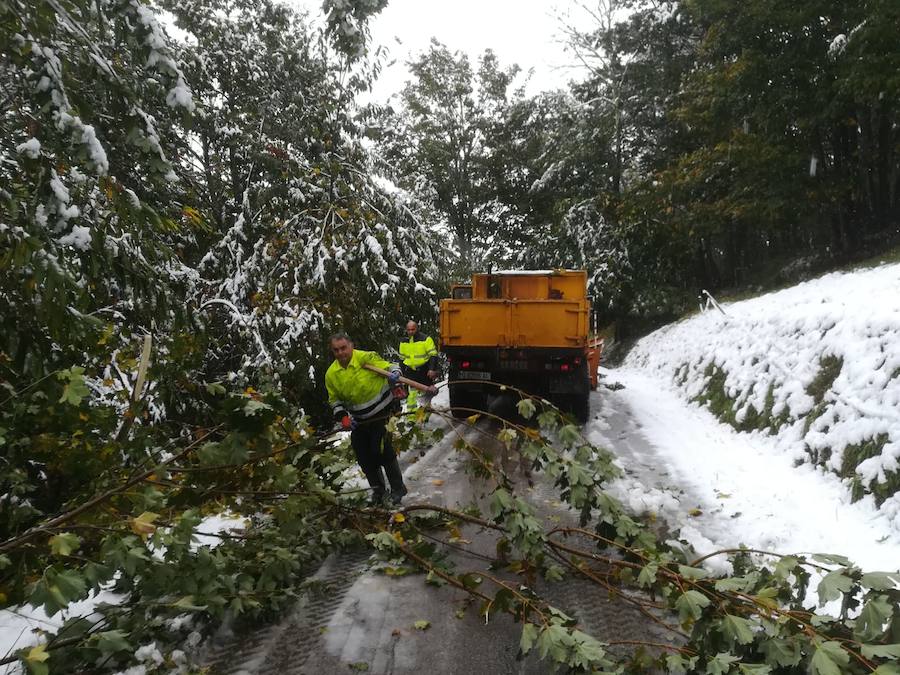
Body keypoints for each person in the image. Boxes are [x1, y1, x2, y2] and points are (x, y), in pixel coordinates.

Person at [325, 332, 408, 506]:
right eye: (336, 350)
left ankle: (398, 489)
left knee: (382, 450)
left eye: (343, 348)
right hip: (359, 419)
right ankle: (378, 492)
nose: (340, 353)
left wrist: (395, 375)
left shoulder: (366, 358)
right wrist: (343, 417)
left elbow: (390, 367)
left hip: (382, 412)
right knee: (364, 455)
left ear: (351, 346)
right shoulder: (332, 374)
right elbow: (334, 400)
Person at [399, 320, 440, 410]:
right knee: (412, 396)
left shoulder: (426, 339)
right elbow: (402, 359)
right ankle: (411, 418)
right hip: (411, 372)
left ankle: (425, 416)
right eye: (408, 330)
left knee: (427, 394)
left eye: (412, 329)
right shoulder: (403, 342)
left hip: (424, 371)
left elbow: (433, 354)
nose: (410, 332)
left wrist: (432, 369)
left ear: (417, 329)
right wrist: (403, 374)